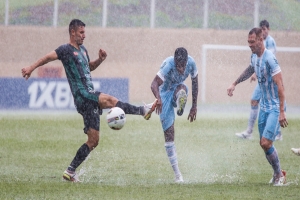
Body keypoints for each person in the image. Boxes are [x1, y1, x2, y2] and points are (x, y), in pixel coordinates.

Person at [21, 19, 158, 182]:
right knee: (111, 100)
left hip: (88, 96)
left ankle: (70, 171)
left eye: (84, 32)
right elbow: (47, 58)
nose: (84, 35)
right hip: (82, 94)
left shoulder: (83, 50)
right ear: (72, 32)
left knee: (93, 140)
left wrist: (100, 60)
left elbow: (89, 67)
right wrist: (30, 68)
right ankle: (142, 111)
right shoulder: (65, 49)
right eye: (81, 32)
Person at [227, 27, 288, 186]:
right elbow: (250, 69)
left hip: (274, 107)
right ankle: (278, 173)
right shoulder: (254, 56)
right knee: (264, 144)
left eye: (252, 42)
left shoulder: (270, 58)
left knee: (266, 143)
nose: (250, 45)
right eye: (248, 42)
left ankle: (280, 175)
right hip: (264, 108)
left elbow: (280, 85)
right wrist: (235, 83)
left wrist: (282, 111)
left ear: (261, 40)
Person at [150, 47, 198, 183]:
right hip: (164, 94)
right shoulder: (169, 65)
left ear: (187, 61)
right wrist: (158, 99)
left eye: (183, 66)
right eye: (178, 66)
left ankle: (179, 102)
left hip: (177, 88)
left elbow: (195, 83)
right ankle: (178, 175)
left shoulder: (192, 63)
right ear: (175, 61)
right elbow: (153, 84)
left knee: (182, 88)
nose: (181, 69)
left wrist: (194, 106)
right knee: (169, 135)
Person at [235, 20, 282, 141]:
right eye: (262, 29)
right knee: (255, 101)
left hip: (269, 80)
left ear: (268, 30)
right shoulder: (254, 53)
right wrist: (234, 83)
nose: (264, 31)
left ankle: (277, 132)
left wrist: (256, 73)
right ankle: (250, 131)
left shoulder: (270, 42)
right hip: (262, 82)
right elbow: (255, 64)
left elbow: (266, 61)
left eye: (265, 29)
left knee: (273, 105)